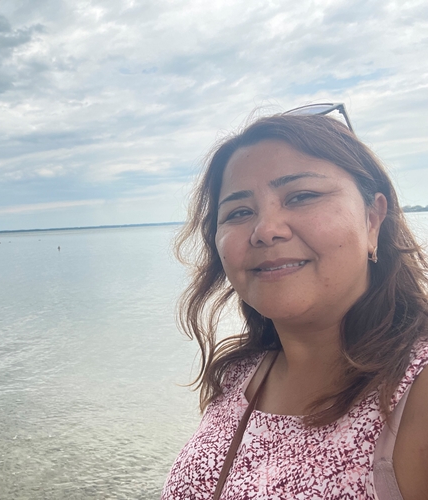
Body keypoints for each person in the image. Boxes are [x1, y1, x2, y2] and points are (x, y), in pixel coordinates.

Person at [162, 105, 428, 500]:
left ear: (373, 219)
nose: (265, 230)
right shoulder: (240, 375)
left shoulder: (413, 394)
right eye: (239, 211)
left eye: (301, 196)